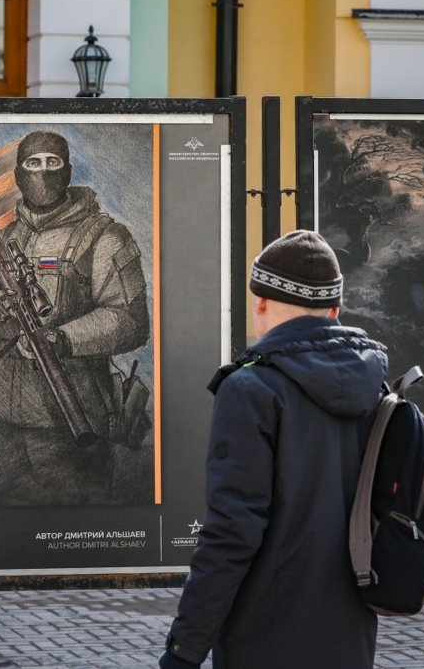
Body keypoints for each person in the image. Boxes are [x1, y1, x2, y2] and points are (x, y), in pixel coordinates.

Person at [159, 230, 387, 669]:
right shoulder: (374, 389)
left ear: (260, 303)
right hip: (351, 638)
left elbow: (231, 533)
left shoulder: (250, 390)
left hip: (263, 638)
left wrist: (184, 649)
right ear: (334, 311)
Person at [0, 130, 151, 506]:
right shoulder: (1, 239)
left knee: (74, 532)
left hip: (72, 420)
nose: (42, 173)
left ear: (68, 170)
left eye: (52, 163)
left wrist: (63, 339)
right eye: (33, 164)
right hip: (1, 421)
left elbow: (130, 320)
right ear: (18, 174)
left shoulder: (105, 236)